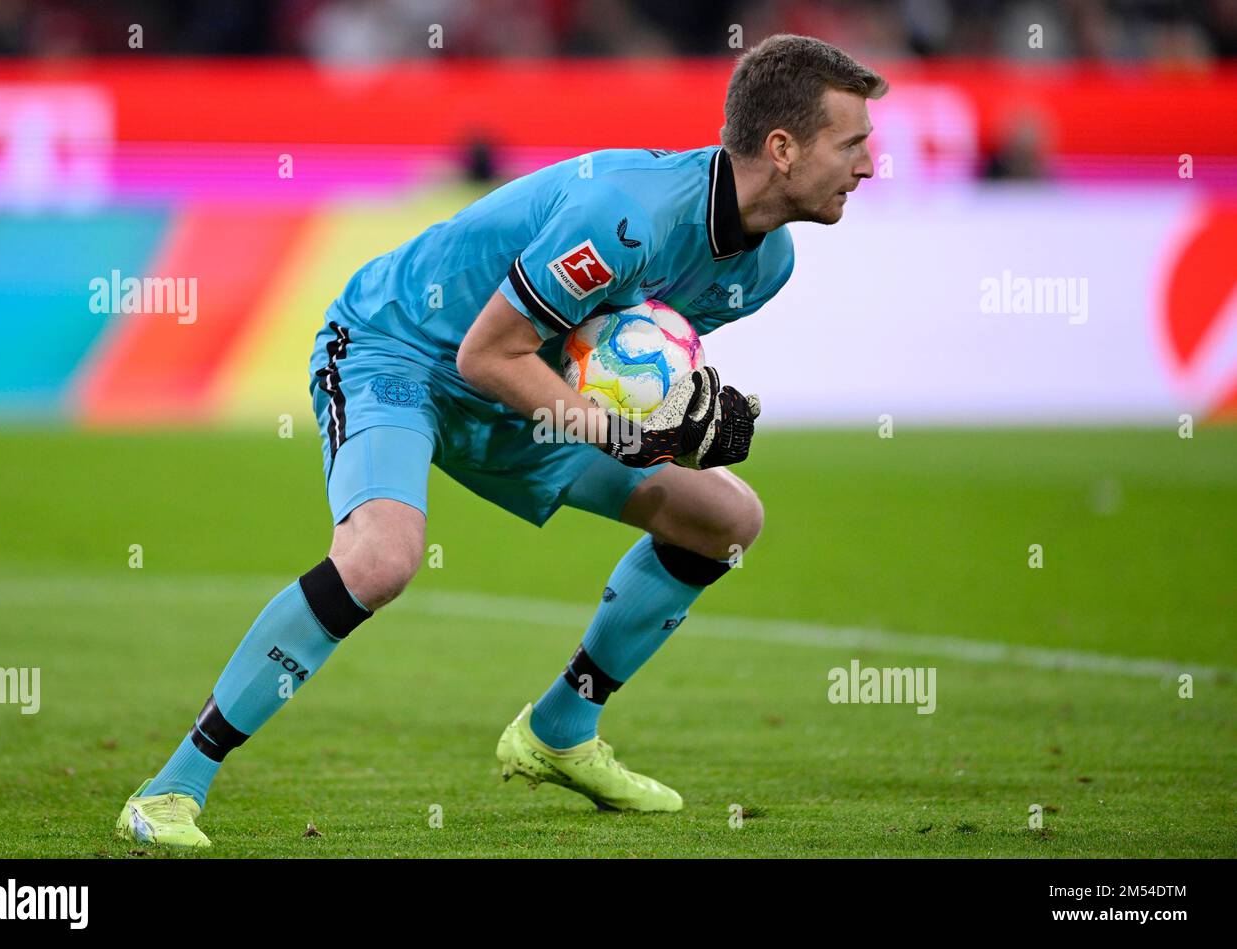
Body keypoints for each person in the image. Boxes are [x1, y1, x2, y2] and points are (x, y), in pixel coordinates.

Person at [116, 33, 886, 846]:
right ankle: (170, 788)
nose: (869, 166)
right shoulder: (628, 215)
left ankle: (558, 729)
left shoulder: (766, 267)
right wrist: (633, 433)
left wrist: (685, 420)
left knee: (726, 519)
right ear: (782, 148)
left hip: (525, 387)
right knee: (381, 557)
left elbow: (614, 355)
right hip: (401, 350)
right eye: (853, 143)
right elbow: (484, 352)